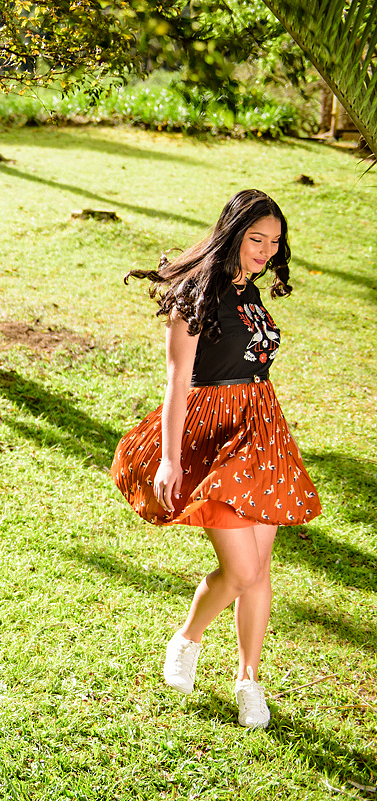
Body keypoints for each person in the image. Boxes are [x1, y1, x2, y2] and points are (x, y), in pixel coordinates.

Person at [111, 189, 321, 729]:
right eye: (256, 239)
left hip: (262, 429)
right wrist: (170, 460)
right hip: (214, 429)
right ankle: (188, 637)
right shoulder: (193, 294)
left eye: (274, 243)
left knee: (262, 569)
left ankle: (249, 678)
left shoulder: (253, 293)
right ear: (232, 234)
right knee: (242, 568)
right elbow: (178, 381)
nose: (266, 251)